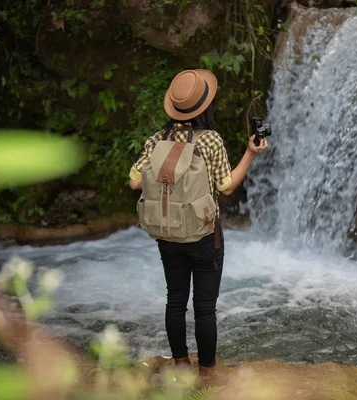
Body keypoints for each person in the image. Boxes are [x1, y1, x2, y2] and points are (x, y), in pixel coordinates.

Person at [128, 69, 268, 386]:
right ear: (204, 108)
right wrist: (250, 152)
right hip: (204, 233)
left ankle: (179, 365)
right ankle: (206, 373)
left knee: (175, 300)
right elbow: (227, 186)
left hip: (166, 233)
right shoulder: (209, 141)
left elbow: (135, 181)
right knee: (204, 307)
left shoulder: (155, 140)